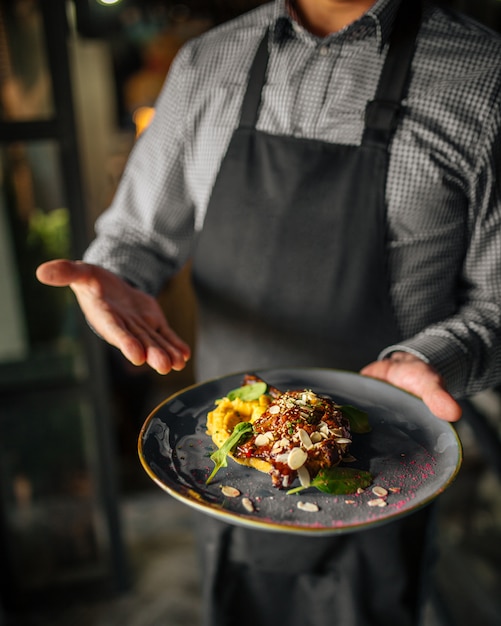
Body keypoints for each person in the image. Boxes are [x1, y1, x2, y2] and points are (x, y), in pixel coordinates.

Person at [37, 0, 501, 624]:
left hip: (390, 465)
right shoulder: (207, 62)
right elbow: (137, 237)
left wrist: (433, 359)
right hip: (224, 463)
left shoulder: (484, 74)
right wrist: (112, 275)